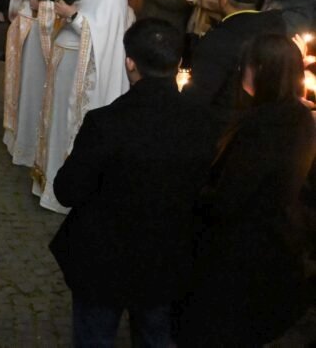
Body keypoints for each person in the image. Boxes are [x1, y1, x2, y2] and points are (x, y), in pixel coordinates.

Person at [50, 19, 217, 347]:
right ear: (178, 63)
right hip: (166, 256)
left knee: (94, 337)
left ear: (130, 62)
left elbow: (67, 191)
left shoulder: (105, 123)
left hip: (103, 260)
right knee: (155, 335)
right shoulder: (204, 122)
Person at [176, 35, 316, 346]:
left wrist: (195, 194)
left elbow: (230, 198)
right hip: (273, 243)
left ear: (262, 70)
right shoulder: (299, 115)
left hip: (241, 254)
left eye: (245, 66)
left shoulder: (264, 127)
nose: (241, 72)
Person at [35, 0, 132, 213]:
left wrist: (71, 14)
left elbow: (99, 33)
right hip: (67, 64)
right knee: (57, 121)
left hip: (80, 71)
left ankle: (62, 191)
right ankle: (49, 180)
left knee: (67, 124)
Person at [3, 0, 91, 167]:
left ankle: (31, 146)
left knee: (35, 88)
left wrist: (37, 5)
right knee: (25, 86)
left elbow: (69, 6)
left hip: (44, 40)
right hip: (29, 35)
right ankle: (22, 137)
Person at [187, 0, 286, 117]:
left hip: (226, 124)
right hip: (268, 118)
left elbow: (199, 97)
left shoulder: (220, 39)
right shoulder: (277, 25)